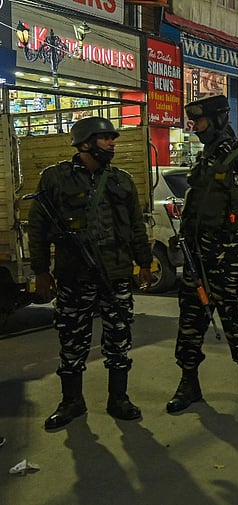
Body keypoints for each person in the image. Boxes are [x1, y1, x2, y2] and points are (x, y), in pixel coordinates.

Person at [28, 117, 153, 430]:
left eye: (113, 138)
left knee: (119, 339)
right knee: (72, 341)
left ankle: (118, 398)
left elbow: (137, 226)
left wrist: (145, 263)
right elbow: (38, 229)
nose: (112, 143)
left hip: (116, 275)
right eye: (105, 138)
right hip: (74, 276)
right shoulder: (55, 179)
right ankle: (72, 401)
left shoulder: (121, 180)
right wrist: (41, 271)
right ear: (85, 143)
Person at [167, 95, 238, 413]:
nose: (195, 128)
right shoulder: (202, 164)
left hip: (232, 263)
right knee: (189, 325)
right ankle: (189, 383)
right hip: (198, 262)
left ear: (217, 121)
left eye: (199, 121)